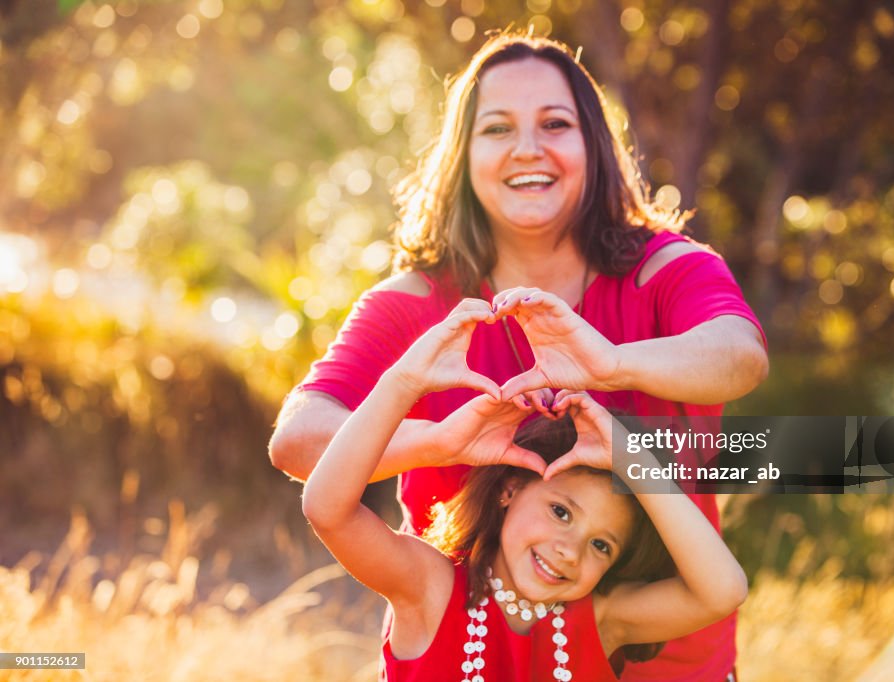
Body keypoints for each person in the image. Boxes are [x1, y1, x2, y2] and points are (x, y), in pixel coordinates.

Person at [271, 32, 768, 680]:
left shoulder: (666, 268)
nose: (528, 148)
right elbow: (299, 443)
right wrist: (448, 442)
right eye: (498, 128)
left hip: (673, 662)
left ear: (593, 147)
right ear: (464, 156)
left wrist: (611, 365)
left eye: (555, 124)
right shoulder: (415, 302)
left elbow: (740, 355)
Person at [301, 301, 748, 681]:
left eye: (600, 545)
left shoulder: (601, 620)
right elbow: (327, 510)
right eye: (561, 512)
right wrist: (408, 391)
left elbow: (722, 592)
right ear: (509, 490)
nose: (570, 551)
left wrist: (635, 463)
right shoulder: (430, 587)